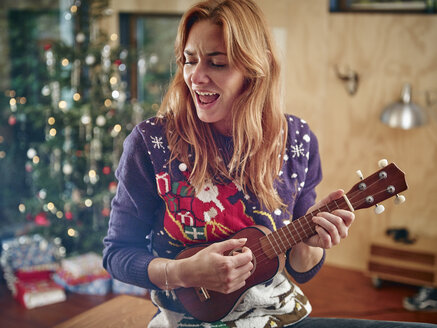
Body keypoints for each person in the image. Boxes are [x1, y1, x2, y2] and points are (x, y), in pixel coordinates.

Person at [103, 0, 436, 327]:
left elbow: (301, 268)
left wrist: (312, 243)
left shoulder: (296, 140)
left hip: (278, 315)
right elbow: (117, 253)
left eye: (217, 63)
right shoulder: (151, 143)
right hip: (184, 320)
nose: (196, 77)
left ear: (254, 68)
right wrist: (180, 272)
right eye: (190, 61)